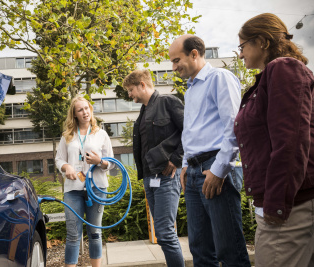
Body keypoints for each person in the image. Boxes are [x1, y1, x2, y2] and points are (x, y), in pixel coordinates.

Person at [234, 13, 314, 267]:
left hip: (290, 205)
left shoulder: (283, 68)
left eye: (242, 46)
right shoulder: (272, 75)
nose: (240, 54)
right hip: (289, 201)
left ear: (262, 42)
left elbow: (290, 142)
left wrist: (277, 204)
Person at [169, 35, 251, 266]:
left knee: (229, 249)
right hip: (194, 172)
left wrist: (219, 170)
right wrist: (185, 165)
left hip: (215, 169)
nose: (174, 67)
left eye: (177, 60)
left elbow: (234, 128)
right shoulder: (191, 88)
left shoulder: (220, 78)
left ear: (194, 54)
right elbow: (191, 131)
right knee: (200, 250)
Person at [123, 69, 185, 266]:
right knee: (161, 232)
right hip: (150, 179)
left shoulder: (168, 102)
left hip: (167, 176)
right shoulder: (143, 113)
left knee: (165, 232)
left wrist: (176, 159)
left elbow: (189, 130)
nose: (129, 95)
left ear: (142, 84)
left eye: (130, 90)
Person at [55, 96, 114, 267]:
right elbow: (59, 160)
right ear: (74, 114)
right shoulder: (67, 136)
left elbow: (110, 163)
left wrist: (100, 161)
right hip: (73, 189)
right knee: (73, 234)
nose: (85, 112)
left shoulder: (101, 134)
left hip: (96, 188)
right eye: (80, 110)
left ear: (91, 110)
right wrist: (67, 167)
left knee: (95, 233)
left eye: (87, 108)